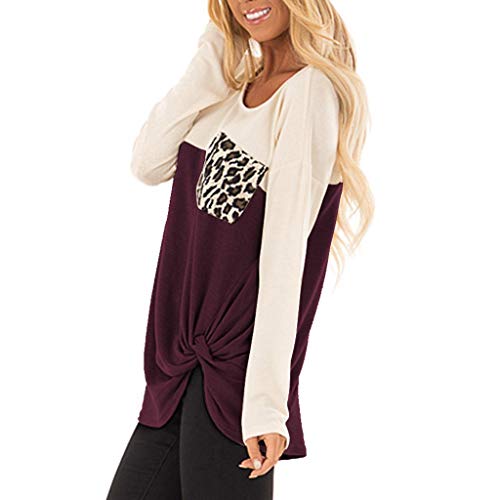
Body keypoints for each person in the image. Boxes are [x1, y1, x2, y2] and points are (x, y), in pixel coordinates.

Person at [106, 0, 373, 498]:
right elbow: (147, 163)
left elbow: (284, 253)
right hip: (177, 364)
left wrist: (267, 406)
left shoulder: (309, 91)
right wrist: (215, 49)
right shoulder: (228, 92)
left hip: (235, 376)